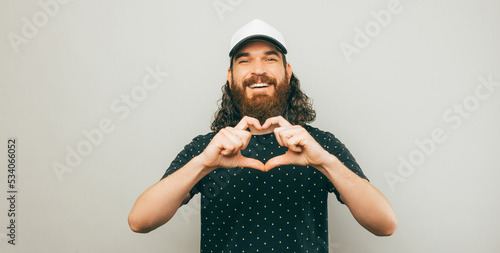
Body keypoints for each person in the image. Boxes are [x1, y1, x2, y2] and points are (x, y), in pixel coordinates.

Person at [128, 19, 397, 252]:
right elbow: (140, 221)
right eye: (244, 61)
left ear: (287, 72)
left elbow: (385, 224)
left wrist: (324, 162)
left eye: (270, 58)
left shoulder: (320, 145)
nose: (258, 70)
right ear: (230, 76)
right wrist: (204, 164)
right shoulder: (206, 149)